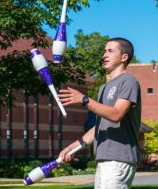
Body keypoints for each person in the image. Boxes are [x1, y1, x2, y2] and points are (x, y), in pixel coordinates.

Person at [58, 38, 141, 189]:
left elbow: (116, 115)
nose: (104, 55)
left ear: (124, 57)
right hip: (104, 159)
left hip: (119, 159)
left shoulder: (128, 81)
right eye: (104, 51)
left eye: (110, 51)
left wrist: (84, 99)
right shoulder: (104, 88)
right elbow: (100, 127)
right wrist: (73, 147)